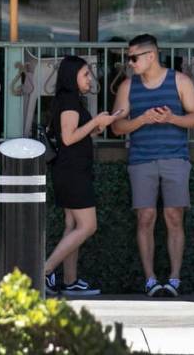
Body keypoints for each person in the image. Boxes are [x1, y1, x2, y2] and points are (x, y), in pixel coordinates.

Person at [110, 34, 194, 297]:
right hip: (141, 159)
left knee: (174, 216)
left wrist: (172, 117)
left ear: (151, 56)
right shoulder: (128, 87)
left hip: (175, 157)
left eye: (133, 58)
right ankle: (150, 279)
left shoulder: (180, 81)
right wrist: (141, 120)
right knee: (145, 217)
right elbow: (117, 127)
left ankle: (174, 279)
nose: (130, 63)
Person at [43, 56, 119, 297]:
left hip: (72, 170)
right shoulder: (69, 102)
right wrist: (95, 121)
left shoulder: (72, 101)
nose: (89, 79)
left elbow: (75, 136)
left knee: (72, 225)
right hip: (72, 172)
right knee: (87, 226)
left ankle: (70, 280)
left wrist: (96, 127)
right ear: (72, 76)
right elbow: (68, 138)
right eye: (85, 74)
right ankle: (44, 271)